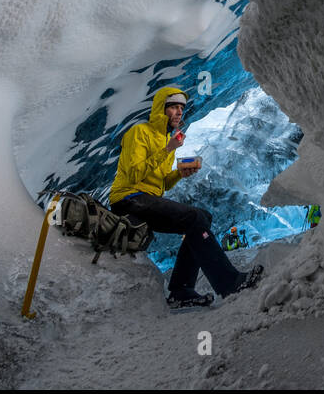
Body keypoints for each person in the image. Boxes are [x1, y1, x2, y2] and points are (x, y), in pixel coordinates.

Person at [109, 86, 263, 307]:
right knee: (193, 218)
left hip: (144, 199)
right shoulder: (139, 132)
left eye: (181, 107)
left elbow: (160, 184)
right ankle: (230, 283)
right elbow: (134, 174)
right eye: (173, 106)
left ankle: (181, 291)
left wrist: (179, 174)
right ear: (161, 109)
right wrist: (168, 149)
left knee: (203, 217)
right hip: (127, 198)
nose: (179, 112)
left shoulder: (165, 140)